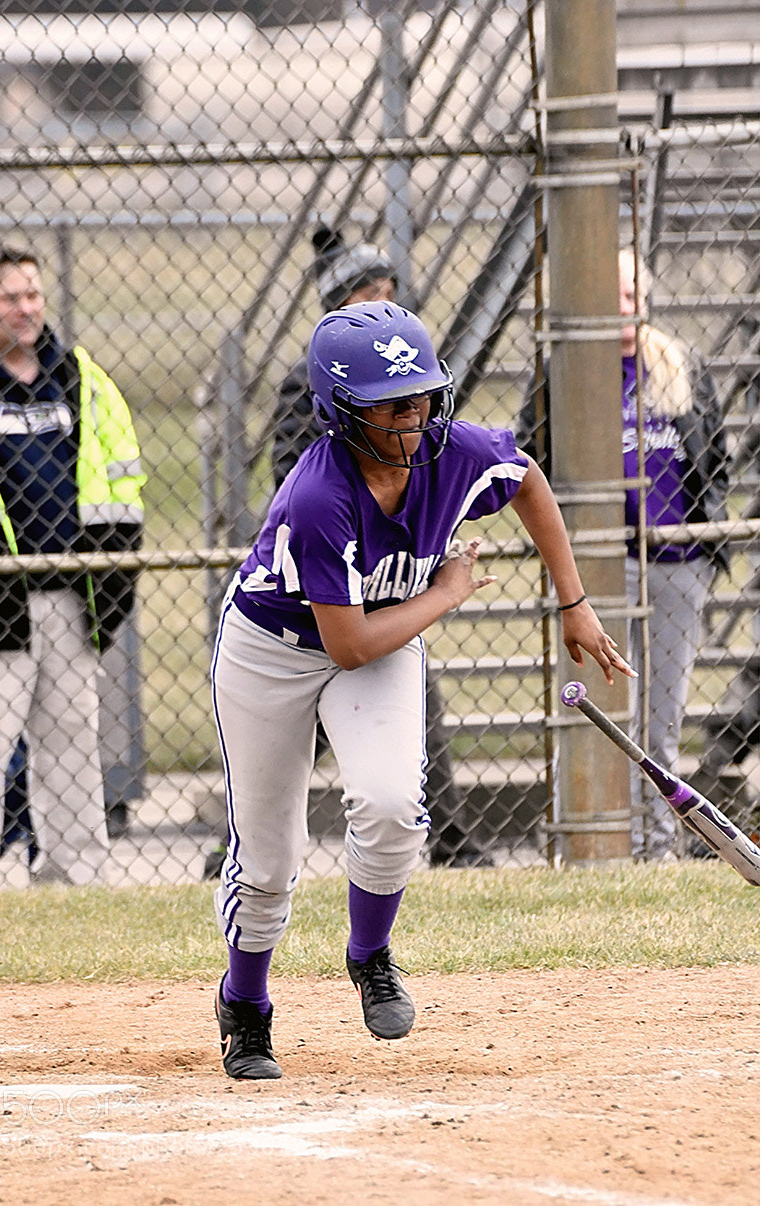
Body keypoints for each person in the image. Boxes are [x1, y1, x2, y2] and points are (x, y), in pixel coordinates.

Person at [210, 298, 635, 1079]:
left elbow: (527, 479)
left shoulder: (451, 452)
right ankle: (245, 1003)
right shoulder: (318, 498)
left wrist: (573, 602)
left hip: (383, 637)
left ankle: (369, 955)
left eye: (423, 399)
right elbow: (347, 644)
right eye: (390, 408)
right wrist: (450, 591)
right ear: (340, 414)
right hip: (275, 650)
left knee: (391, 806)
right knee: (269, 857)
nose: (415, 421)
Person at [276, 227, 488, 867]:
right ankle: (229, 849)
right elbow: (303, 483)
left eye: (389, 292)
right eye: (366, 294)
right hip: (326, 588)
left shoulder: (407, 386)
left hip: (388, 586)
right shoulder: (311, 390)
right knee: (286, 743)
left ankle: (450, 842)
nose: (382, 306)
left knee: (413, 710)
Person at [515, 247, 730, 861]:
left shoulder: (680, 364)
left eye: (633, 289)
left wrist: (701, 532)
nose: (626, 301)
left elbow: (713, 456)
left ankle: (655, 847)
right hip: (605, 570)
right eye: (613, 291)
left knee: (661, 722)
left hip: (675, 565)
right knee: (605, 715)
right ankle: (588, 841)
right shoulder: (569, 369)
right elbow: (532, 454)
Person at [0, 243, 146, 890]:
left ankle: (75, 876)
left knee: (69, 739)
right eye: (9, 297)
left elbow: (120, 479)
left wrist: (113, 584)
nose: (26, 308)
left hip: (72, 594)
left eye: (33, 294)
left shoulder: (77, 375)